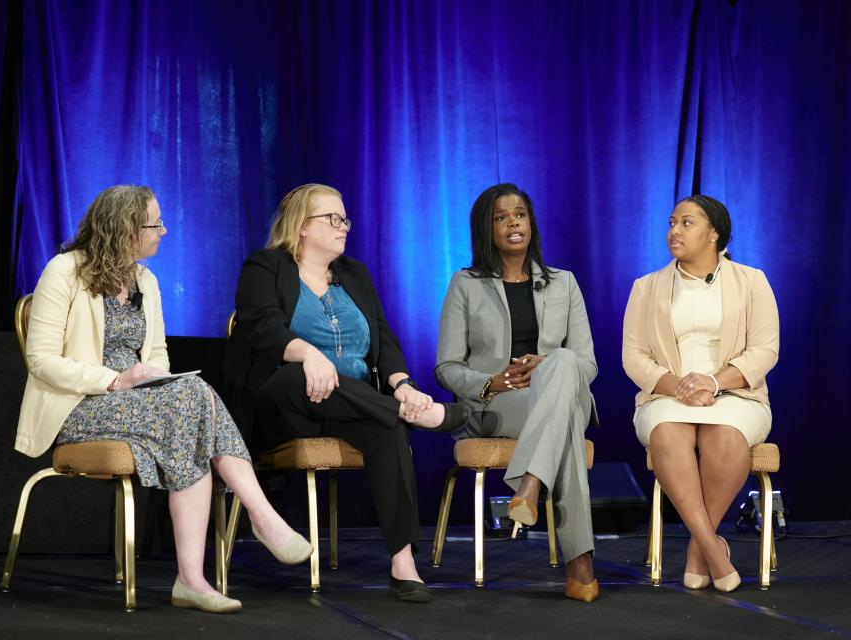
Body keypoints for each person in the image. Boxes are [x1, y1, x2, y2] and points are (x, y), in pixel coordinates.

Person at [14, 185, 311, 614]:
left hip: (140, 405)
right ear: (124, 229)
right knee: (194, 404)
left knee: (191, 407)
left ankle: (194, 578)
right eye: (155, 223)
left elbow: (156, 357)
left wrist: (154, 381)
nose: (164, 231)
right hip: (77, 405)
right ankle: (259, 519)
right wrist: (115, 380)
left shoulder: (145, 280)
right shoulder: (64, 271)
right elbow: (41, 361)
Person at [222, 183, 470, 603]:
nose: (343, 227)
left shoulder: (355, 274)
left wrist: (402, 383)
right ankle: (410, 413)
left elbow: (383, 338)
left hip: (348, 403)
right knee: (298, 377)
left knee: (386, 430)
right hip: (284, 403)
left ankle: (403, 562)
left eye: (345, 219)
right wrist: (308, 356)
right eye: (331, 218)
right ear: (301, 226)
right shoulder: (265, 266)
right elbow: (260, 325)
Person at [434, 183, 600, 602]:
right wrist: (492, 382)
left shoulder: (564, 283)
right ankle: (580, 564)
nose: (513, 222)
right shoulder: (465, 284)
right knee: (562, 430)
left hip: (559, 394)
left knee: (561, 362)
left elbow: (588, 364)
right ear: (485, 229)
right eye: (501, 216)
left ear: (531, 223)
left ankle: (529, 485)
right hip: (498, 405)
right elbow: (447, 366)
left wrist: (547, 367)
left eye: (520, 214)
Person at [622, 194, 779, 593]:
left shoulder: (752, 280)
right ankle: (712, 544)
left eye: (686, 223)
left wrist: (714, 381)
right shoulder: (647, 286)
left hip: (737, 395)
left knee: (725, 435)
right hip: (666, 396)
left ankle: (696, 551)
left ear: (714, 234)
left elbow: (765, 349)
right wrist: (678, 387)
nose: (674, 230)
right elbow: (633, 356)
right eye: (672, 222)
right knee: (668, 432)